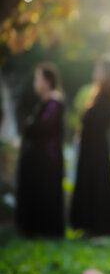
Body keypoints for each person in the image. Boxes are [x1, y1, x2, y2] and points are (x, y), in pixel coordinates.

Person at [70, 54, 110, 236]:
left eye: (99, 69)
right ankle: (87, 224)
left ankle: (98, 226)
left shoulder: (108, 97)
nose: (95, 72)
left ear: (107, 73)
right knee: (88, 183)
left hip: (97, 149)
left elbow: (98, 122)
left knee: (97, 185)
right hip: (90, 147)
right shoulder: (98, 95)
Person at [15, 62, 65, 238]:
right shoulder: (46, 102)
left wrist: (30, 126)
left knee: (46, 192)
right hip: (39, 156)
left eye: (38, 78)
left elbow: (41, 127)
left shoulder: (54, 101)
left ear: (48, 81)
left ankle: (45, 229)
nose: (35, 82)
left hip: (47, 158)